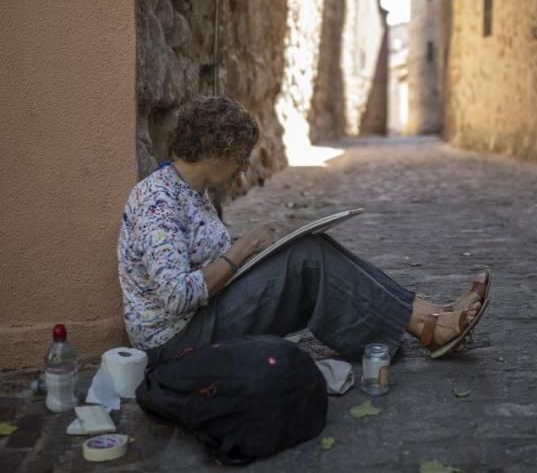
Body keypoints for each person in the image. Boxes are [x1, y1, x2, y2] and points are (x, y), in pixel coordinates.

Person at [117, 95, 491, 366]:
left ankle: (429, 313)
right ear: (216, 151)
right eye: (239, 157)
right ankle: (428, 326)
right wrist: (244, 248)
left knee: (313, 246)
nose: (243, 168)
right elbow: (177, 297)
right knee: (307, 258)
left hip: (202, 316)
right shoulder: (158, 200)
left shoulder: (192, 192)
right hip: (174, 342)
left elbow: (202, 262)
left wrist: (260, 256)